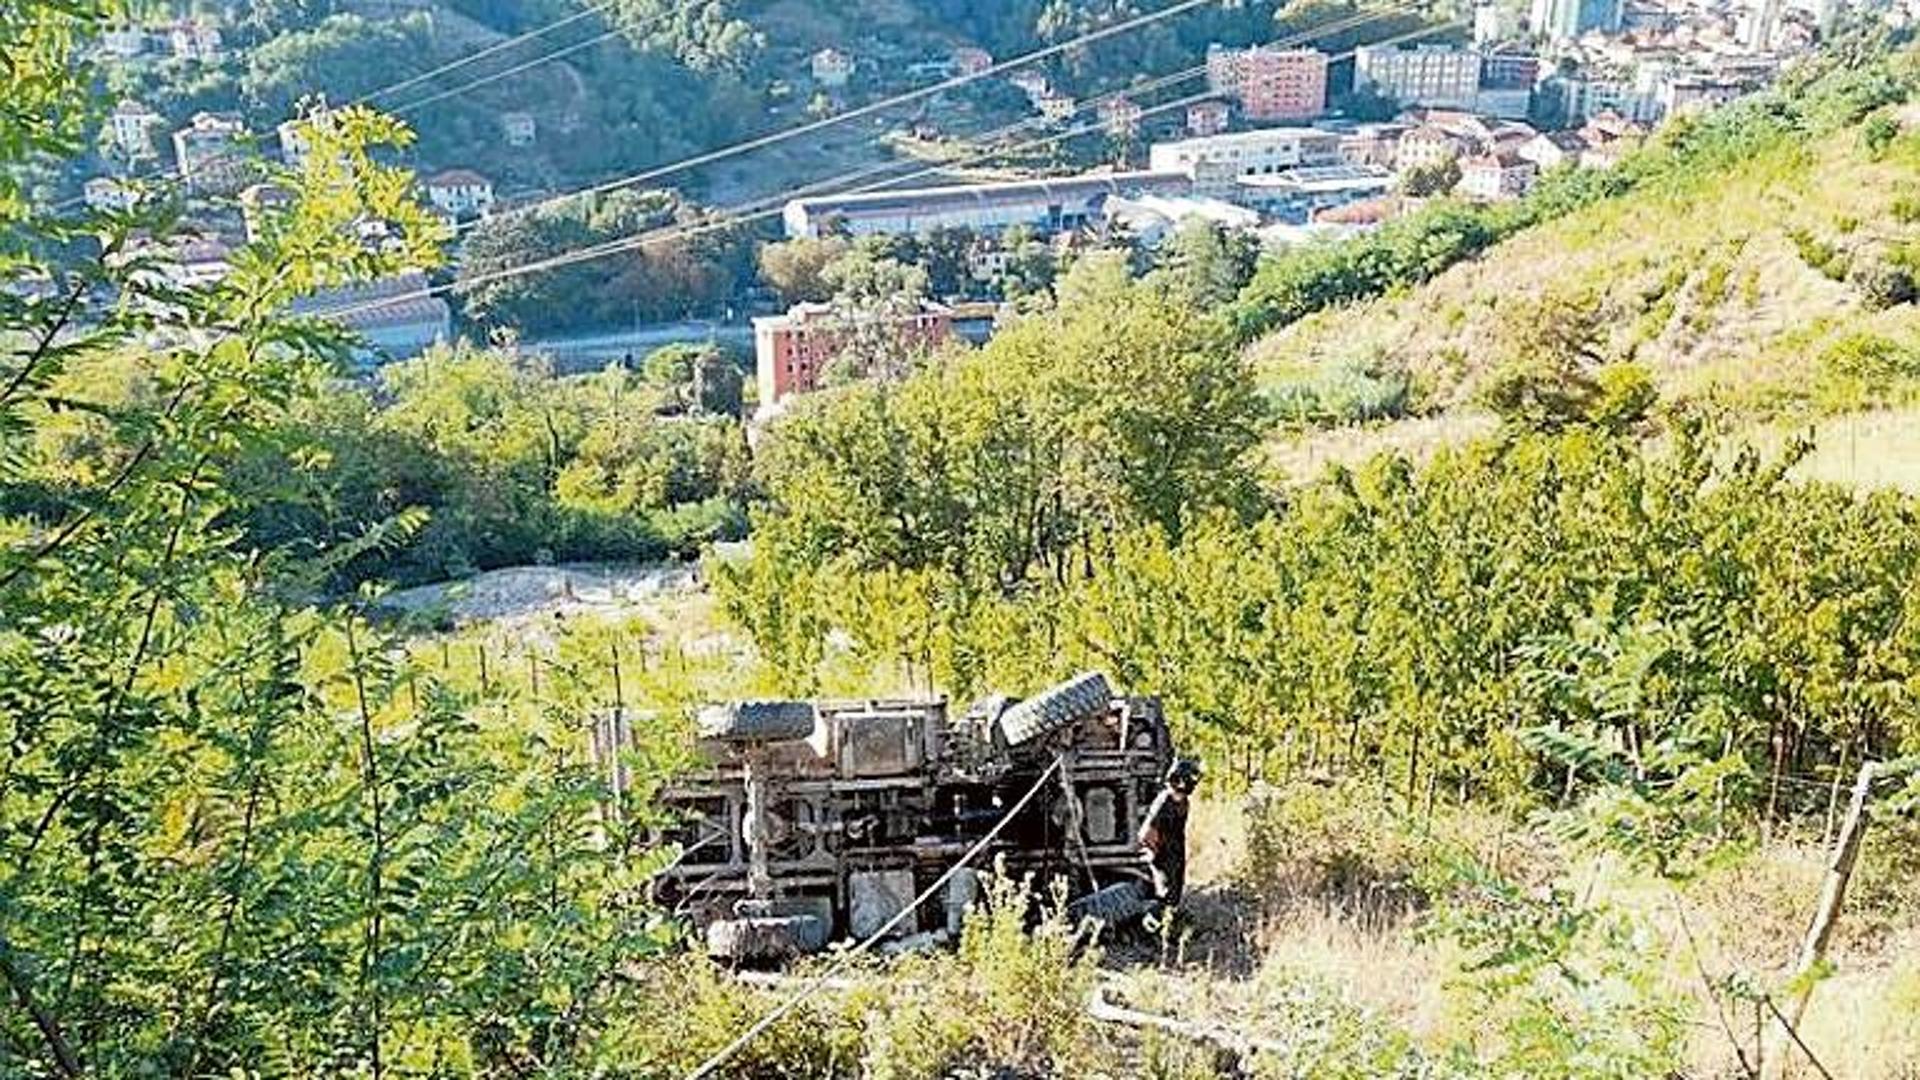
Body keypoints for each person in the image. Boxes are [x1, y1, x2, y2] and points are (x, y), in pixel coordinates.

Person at [1137, 758, 1201, 907]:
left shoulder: (1183, 802)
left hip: (1175, 851)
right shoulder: (1165, 800)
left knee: (1175, 892)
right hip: (1163, 853)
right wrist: (1153, 853)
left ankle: (1170, 919)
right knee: (1165, 894)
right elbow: (1148, 832)